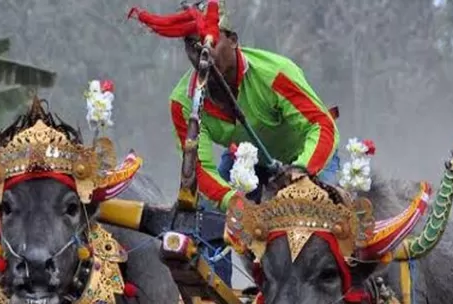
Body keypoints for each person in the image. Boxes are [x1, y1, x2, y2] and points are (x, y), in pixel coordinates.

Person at [129, 0, 341, 286]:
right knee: (202, 216)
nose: (201, 52)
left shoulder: (275, 73)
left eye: (210, 42)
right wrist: (232, 200)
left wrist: (301, 172)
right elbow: (198, 170)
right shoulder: (183, 102)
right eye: (192, 45)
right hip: (245, 166)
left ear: (233, 40)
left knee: (329, 230)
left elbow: (322, 126)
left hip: (308, 162)